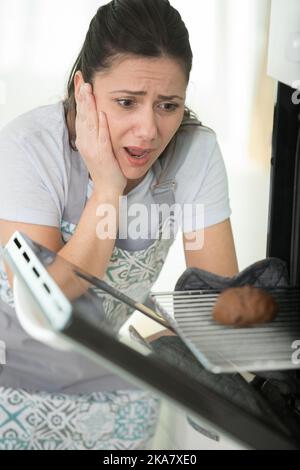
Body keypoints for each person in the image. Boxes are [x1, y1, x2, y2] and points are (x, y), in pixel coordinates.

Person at [0, 0, 238, 450]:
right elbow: (44, 294)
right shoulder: (28, 148)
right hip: (10, 380)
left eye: (168, 105)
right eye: (126, 102)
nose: (148, 130)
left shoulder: (195, 154)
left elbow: (216, 298)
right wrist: (107, 188)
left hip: (109, 378)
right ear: (84, 90)